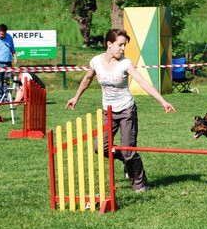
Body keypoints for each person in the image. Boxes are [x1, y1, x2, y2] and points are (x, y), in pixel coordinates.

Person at [66, 28, 176, 193]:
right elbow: (87, 79)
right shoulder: (96, 61)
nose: (123, 48)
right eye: (120, 45)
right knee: (100, 148)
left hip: (126, 111)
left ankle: (140, 183)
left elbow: (142, 82)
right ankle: (125, 160)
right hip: (107, 112)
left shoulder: (125, 63)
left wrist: (162, 101)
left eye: (124, 45)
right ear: (109, 44)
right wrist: (76, 97)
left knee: (128, 150)